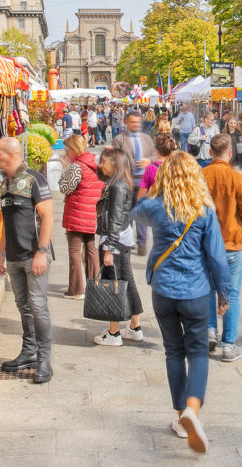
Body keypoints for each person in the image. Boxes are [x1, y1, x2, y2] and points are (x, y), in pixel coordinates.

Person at [130, 152, 230, 453]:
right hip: (196, 291)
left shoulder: (154, 207)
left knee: (173, 351)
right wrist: (224, 292)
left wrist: (149, 187)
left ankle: (179, 415)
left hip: (163, 290)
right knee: (198, 352)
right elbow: (216, 256)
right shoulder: (203, 210)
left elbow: (136, 212)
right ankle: (192, 411)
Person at [0, 137, 55, 383]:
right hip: (14, 256)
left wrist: (42, 251)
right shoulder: (5, 183)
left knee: (38, 306)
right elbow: (6, 221)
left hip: (33, 255)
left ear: (11, 154)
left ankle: (44, 360)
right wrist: (0, 252)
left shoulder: (33, 179)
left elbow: (48, 217)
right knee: (23, 306)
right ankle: (28, 352)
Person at [202, 134, 242, 362]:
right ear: (230, 153)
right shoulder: (237, 179)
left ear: (210, 153)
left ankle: (209, 331)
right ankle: (229, 344)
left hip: (205, 244)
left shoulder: (200, 176)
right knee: (231, 293)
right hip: (231, 243)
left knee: (208, 290)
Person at [92, 147, 144, 346]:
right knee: (126, 281)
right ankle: (134, 326)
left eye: (103, 161)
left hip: (115, 240)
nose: (100, 165)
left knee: (111, 284)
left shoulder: (117, 186)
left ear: (113, 164)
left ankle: (113, 333)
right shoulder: (121, 182)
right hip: (123, 238)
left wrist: (108, 249)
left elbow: (114, 219)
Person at [60, 135, 103, 299]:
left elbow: (65, 188)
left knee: (75, 251)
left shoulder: (76, 166)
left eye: (67, 150)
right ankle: (94, 286)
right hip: (91, 212)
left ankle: (76, 289)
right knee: (91, 249)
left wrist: (64, 169)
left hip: (77, 212)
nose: (66, 154)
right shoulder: (93, 163)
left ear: (73, 150)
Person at [115, 110, 155, 255]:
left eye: (138, 122)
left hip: (144, 182)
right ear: (126, 122)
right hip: (127, 181)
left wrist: (149, 161)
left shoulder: (146, 138)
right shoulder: (120, 139)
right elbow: (116, 159)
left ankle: (142, 243)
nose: (136, 125)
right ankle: (127, 241)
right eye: (133, 122)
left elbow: (154, 155)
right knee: (127, 213)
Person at [140, 133, 178, 198]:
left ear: (156, 150)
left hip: (154, 205)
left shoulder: (151, 168)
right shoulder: (178, 166)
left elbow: (141, 194)